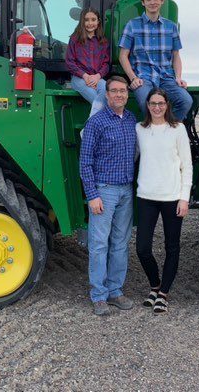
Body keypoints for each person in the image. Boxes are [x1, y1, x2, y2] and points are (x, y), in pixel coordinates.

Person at [79, 75, 137, 316]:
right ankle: (99, 295)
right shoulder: (97, 122)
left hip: (126, 190)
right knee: (99, 243)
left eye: (123, 91)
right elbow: (85, 161)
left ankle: (115, 291)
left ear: (127, 94)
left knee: (120, 244)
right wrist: (92, 195)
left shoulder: (131, 119)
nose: (119, 95)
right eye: (114, 91)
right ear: (106, 94)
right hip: (104, 191)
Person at [135, 88, 192, 314]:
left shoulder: (178, 129)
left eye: (160, 103)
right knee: (142, 248)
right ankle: (154, 285)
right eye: (152, 103)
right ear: (147, 106)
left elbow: (186, 165)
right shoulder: (140, 129)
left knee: (172, 247)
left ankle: (163, 294)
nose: (157, 107)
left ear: (167, 105)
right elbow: (133, 157)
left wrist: (184, 198)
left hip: (171, 197)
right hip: (146, 196)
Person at [118, 0, 193, 120]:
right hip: (143, 77)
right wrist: (133, 78)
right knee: (145, 102)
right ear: (143, 2)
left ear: (162, 1)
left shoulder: (171, 27)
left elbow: (176, 55)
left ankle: (169, 130)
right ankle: (154, 132)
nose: (152, 2)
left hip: (166, 77)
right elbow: (123, 56)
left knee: (186, 101)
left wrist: (178, 77)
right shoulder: (132, 25)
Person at [65, 8, 110, 118]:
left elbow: (106, 63)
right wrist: (85, 76)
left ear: (98, 21)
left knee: (106, 89)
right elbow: (70, 62)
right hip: (79, 78)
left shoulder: (103, 41)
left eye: (93, 20)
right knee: (97, 100)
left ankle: (88, 129)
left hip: (97, 78)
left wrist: (97, 77)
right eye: (87, 20)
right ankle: (92, 129)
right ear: (82, 21)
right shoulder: (75, 39)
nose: (90, 23)